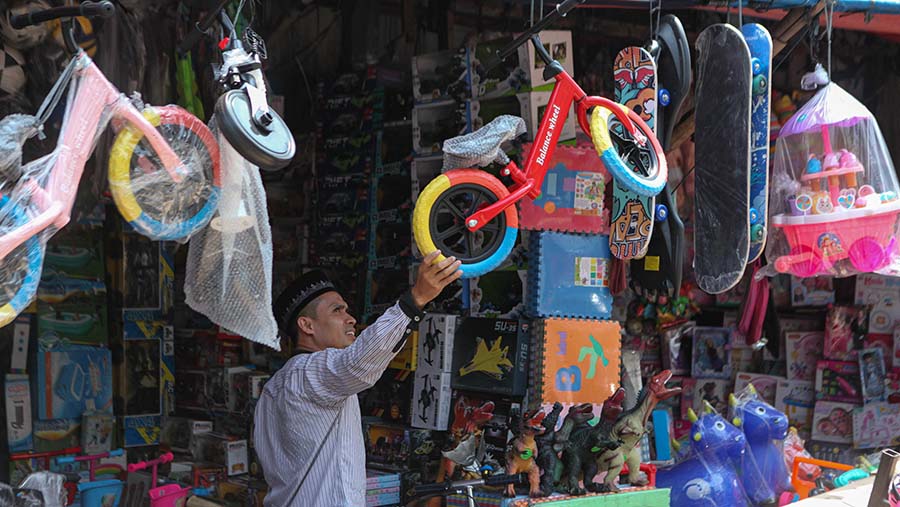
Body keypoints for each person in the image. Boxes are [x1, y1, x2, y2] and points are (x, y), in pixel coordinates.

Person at [253, 251, 462, 506]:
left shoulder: (273, 387)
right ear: (307, 326)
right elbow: (359, 362)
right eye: (337, 310)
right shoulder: (309, 373)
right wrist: (414, 300)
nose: (350, 318)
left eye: (346, 309)